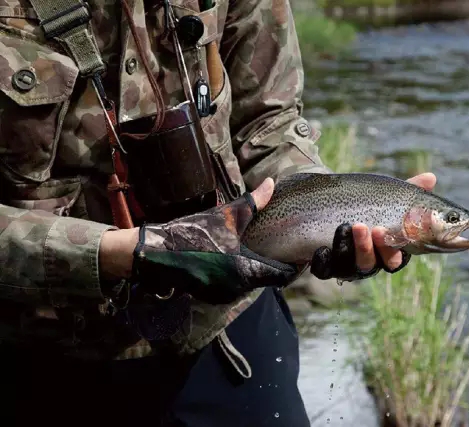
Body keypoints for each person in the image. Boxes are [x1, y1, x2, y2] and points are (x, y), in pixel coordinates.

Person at [0, 0, 437, 426]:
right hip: (37, 352)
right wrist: (117, 252)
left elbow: (266, 121)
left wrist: (328, 216)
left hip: (225, 327)